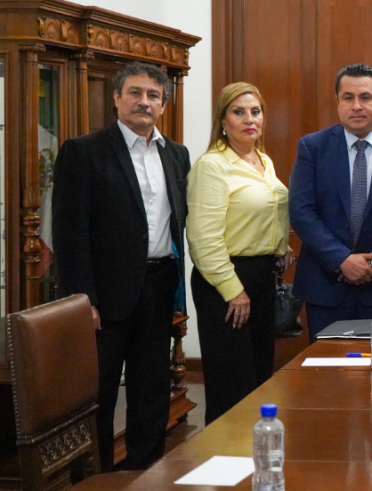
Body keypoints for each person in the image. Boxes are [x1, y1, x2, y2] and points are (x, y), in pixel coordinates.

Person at [52, 62, 190, 470]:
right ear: (116, 98)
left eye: (153, 95)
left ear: (163, 105)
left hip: (158, 287)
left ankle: (145, 473)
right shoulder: (84, 151)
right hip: (103, 296)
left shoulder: (176, 155)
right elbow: (69, 234)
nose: (143, 102)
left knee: (151, 390)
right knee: (98, 394)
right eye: (134, 92)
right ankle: (94, 478)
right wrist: (83, 301)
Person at [187, 82, 295, 424]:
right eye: (239, 112)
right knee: (233, 384)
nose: (250, 119)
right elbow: (203, 239)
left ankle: (255, 452)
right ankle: (223, 454)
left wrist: (280, 246)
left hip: (261, 278)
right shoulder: (212, 165)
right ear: (223, 121)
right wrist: (233, 291)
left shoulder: (262, 160)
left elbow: (261, 212)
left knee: (259, 378)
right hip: (226, 282)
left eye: (255, 111)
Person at [290, 64, 372, 340]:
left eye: (365, 97)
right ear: (337, 101)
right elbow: (301, 212)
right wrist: (341, 259)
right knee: (327, 366)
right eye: (348, 97)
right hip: (326, 287)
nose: (356, 105)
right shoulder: (313, 147)